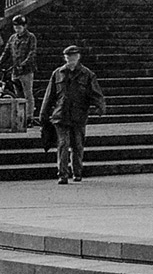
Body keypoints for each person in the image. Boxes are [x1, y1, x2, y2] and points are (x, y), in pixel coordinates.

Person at [37, 44, 107, 184]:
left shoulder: (87, 74)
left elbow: (95, 92)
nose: (71, 59)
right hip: (61, 114)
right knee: (63, 144)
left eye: (73, 56)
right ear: (65, 58)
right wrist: (43, 113)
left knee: (78, 144)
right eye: (68, 57)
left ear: (78, 57)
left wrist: (100, 106)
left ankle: (77, 172)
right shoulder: (58, 73)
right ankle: (62, 174)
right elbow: (49, 95)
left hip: (78, 114)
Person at [5, 15, 40, 104]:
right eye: (15, 27)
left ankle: (29, 115)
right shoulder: (13, 38)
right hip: (15, 70)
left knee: (28, 94)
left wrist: (24, 64)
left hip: (26, 70)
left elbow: (32, 52)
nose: (17, 28)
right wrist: (0, 62)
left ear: (24, 26)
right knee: (18, 95)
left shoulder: (30, 37)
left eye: (19, 26)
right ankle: (21, 114)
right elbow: (7, 51)